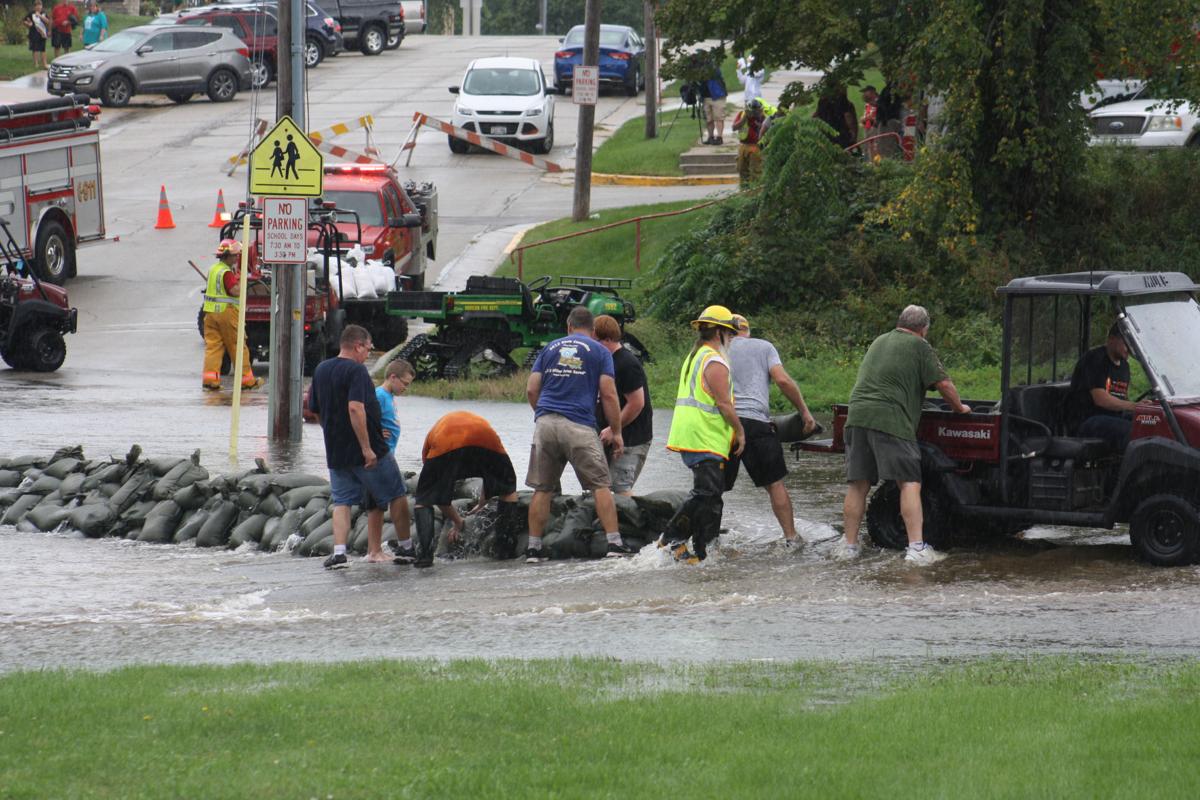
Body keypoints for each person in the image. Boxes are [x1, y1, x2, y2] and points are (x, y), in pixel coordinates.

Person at [836, 305, 970, 565]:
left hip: (857, 416)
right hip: (891, 418)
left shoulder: (879, 340)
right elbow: (943, 383)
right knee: (909, 481)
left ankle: (849, 546)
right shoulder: (920, 346)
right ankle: (917, 548)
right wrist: (960, 408)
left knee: (858, 484)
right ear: (924, 329)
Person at [525, 305, 632, 562]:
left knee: (543, 489)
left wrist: (542, 414)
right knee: (600, 486)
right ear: (593, 330)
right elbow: (608, 394)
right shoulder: (598, 351)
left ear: (569, 327)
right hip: (579, 426)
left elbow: (531, 389)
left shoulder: (549, 348)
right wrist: (616, 432)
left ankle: (533, 548)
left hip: (546, 424)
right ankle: (614, 544)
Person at [308, 325, 414, 570]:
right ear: (357, 346)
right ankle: (407, 547)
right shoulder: (356, 371)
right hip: (367, 450)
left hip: (337, 451)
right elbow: (355, 407)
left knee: (342, 501)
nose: (368, 353)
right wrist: (367, 448)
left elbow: (315, 409)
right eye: (368, 348)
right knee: (396, 493)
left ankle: (339, 554)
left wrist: (331, 433)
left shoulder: (321, 369)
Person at [658, 305, 746, 563]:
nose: (730, 339)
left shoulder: (696, 356)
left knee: (712, 495)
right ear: (718, 332)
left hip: (696, 435)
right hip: (704, 436)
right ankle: (672, 539)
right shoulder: (714, 360)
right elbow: (724, 404)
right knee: (707, 493)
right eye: (729, 334)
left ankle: (704, 549)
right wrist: (740, 431)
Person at [725, 313, 817, 546]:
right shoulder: (763, 347)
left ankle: (708, 539)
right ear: (748, 331)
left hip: (722, 424)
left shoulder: (715, 349)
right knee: (774, 483)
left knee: (714, 486)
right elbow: (783, 381)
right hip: (755, 423)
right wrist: (804, 412)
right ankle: (791, 538)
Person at [413, 411, 523, 567]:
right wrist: (482, 503)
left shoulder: (430, 446)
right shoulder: (471, 423)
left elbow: (436, 496)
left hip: (447, 439)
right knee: (508, 488)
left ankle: (424, 557)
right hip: (485, 437)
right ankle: (506, 552)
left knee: (424, 498)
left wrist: (458, 522)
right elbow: (491, 477)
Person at [592, 314, 653, 496]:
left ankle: (638, 522)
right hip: (611, 436)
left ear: (608, 339)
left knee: (620, 488)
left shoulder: (626, 363)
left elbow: (637, 403)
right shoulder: (604, 361)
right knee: (600, 486)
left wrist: (613, 429)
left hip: (632, 439)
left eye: (595, 342)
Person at [201, 239, 262, 392]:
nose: (236, 258)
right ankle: (247, 381)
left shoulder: (214, 269)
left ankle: (210, 381)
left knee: (213, 347)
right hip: (226, 313)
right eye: (235, 255)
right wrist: (242, 282)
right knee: (237, 346)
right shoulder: (227, 273)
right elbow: (234, 291)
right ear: (227, 256)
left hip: (210, 314)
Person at [1065, 322, 1135, 451]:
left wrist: (1145, 410)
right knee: (1132, 431)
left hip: (1113, 417)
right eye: (1126, 343)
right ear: (1112, 339)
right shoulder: (1094, 359)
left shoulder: (1125, 366)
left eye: (1133, 343)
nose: (1130, 348)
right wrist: (1134, 406)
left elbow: (1122, 398)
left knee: (1150, 423)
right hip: (1087, 421)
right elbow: (1100, 399)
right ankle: (1129, 469)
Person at [375, 359, 415, 455]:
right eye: (405, 383)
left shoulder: (389, 396)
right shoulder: (380, 395)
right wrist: (375, 433)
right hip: (380, 452)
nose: (405, 388)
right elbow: (361, 417)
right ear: (393, 377)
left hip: (388, 451)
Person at [731, 98, 771, 185]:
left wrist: (759, 124)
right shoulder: (742, 115)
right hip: (743, 146)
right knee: (742, 170)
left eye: (757, 111)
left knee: (756, 173)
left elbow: (767, 131)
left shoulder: (763, 117)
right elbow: (734, 127)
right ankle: (744, 192)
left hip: (756, 147)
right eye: (753, 111)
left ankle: (755, 193)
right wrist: (745, 118)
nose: (755, 113)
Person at [813, 84, 857, 150]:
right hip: (841, 134)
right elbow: (848, 116)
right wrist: (853, 131)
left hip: (826, 135)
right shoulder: (842, 99)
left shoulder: (822, 101)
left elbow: (815, 116)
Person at [700, 64, 728, 145]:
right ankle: (710, 137)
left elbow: (717, 73)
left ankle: (719, 137)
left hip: (717, 96)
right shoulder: (699, 71)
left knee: (719, 117)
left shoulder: (714, 68)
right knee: (708, 119)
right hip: (706, 97)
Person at [24, 1, 50, 70]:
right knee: (35, 49)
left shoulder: (44, 13)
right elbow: (24, 21)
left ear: (42, 6)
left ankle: (44, 63)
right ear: (34, 6)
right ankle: (36, 64)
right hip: (34, 33)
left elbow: (48, 22)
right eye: (36, 5)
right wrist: (28, 24)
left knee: (43, 49)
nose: (38, 7)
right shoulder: (31, 13)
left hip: (43, 34)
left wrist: (40, 16)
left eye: (40, 5)